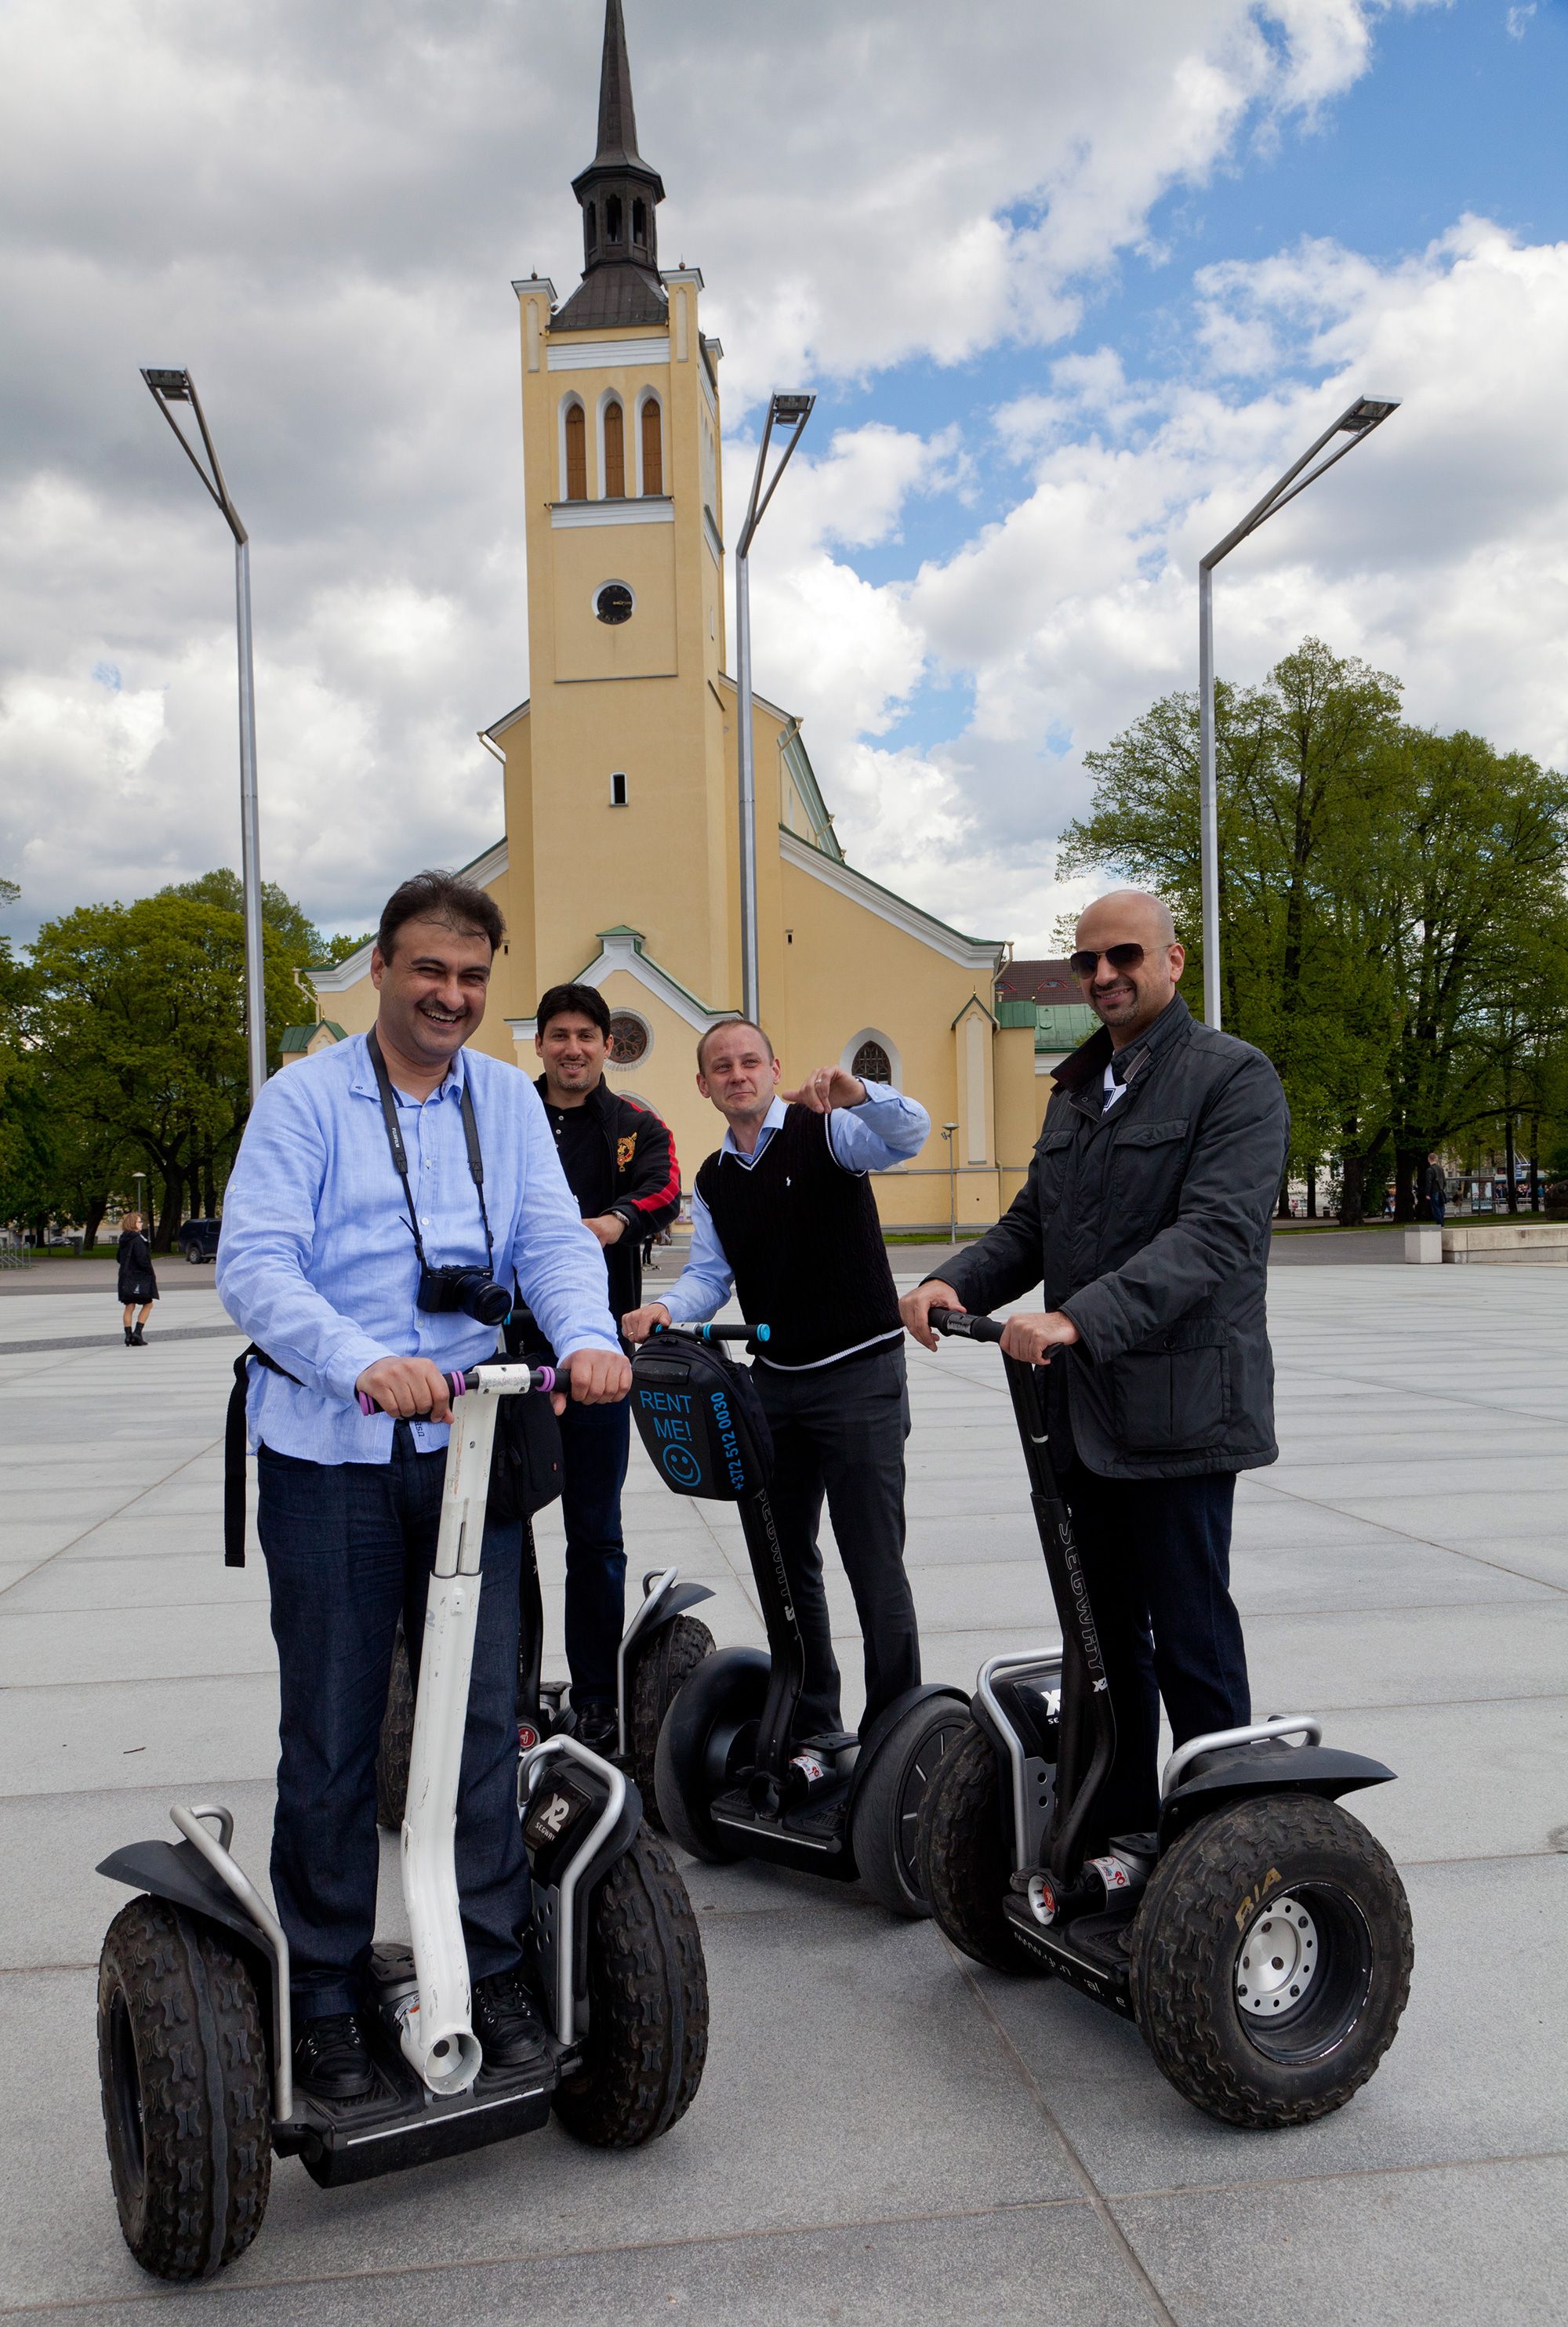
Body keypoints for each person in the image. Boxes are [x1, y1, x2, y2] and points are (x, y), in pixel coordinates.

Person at [217, 870, 628, 2104]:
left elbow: (553, 1241)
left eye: (471, 978)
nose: (451, 995)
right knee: (336, 1738)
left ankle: (490, 1965)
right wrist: (361, 1361)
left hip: (472, 1451)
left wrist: (585, 1333)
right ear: (386, 969)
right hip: (330, 1453)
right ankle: (329, 1991)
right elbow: (256, 1264)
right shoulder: (305, 1103)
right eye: (429, 971)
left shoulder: (502, 1100)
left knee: (475, 1718)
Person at [902, 889, 1289, 1849]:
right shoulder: (1078, 1087)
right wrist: (952, 1280)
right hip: (1079, 1416)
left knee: (1191, 1641)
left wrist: (1079, 1317)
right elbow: (1035, 1222)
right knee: (1103, 1642)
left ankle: (1220, 1850)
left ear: (1172, 960)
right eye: (1087, 962)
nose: (1104, 974)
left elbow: (1215, 1236)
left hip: (1179, 1414)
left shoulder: (1230, 1078)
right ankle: (1115, 1838)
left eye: (1123, 955)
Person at [623, 1019, 930, 1741]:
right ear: (704, 1086)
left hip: (860, 1375)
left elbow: (908, 1135)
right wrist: (665, 1307)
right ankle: (813, 1720)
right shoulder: (713, 1177)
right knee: (784, 1561)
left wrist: (860, 1092)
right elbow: (709, 1275)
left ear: (774, 1067)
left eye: (750, 1061)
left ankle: (897, 1736)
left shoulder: (829, 1129)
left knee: (873, 1564)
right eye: (722, 1067)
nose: (738, 1075)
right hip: (776, 1385)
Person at [522, 982, 681, 1752]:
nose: (573, 1048)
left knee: (595, 1533)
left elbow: (665, 1186)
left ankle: (595, 1699)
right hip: (508, 1354)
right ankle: (511, 1692)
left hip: (596, 1358)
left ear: (606, 1045)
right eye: (559, 1034)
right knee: (499, 1531)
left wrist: (611, 1223)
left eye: (587, 1035)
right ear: (540, 1042)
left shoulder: (632, 1124)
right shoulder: (504, 1115)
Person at [116, 1212, 158, 1346]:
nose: (141, 1224)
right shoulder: (138, 1239)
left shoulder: (123, 1239)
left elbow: (119, 1258)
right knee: (148, 1304)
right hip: (139, 1278)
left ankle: (128, 1336)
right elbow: (142, 1260)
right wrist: (150, 1273)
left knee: (129, 1306)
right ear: (133, 1224)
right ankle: (137, 1333)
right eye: (139, 1222)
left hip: (125, 1277)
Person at [1426, 1153, 1446, 1226]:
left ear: (1429, 1159)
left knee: (1436, 1208)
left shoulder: (1429, 1170)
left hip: (1434, 1192)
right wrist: (1442, 1188)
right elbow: (1444, 1181)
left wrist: (1427, 1194)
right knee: (1441, 1207)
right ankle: (1442, 1223)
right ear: (1436, 1159)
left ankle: (1440, 1224)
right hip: (1441, 1190)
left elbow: (1429, 1182)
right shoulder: (1441, 1169)